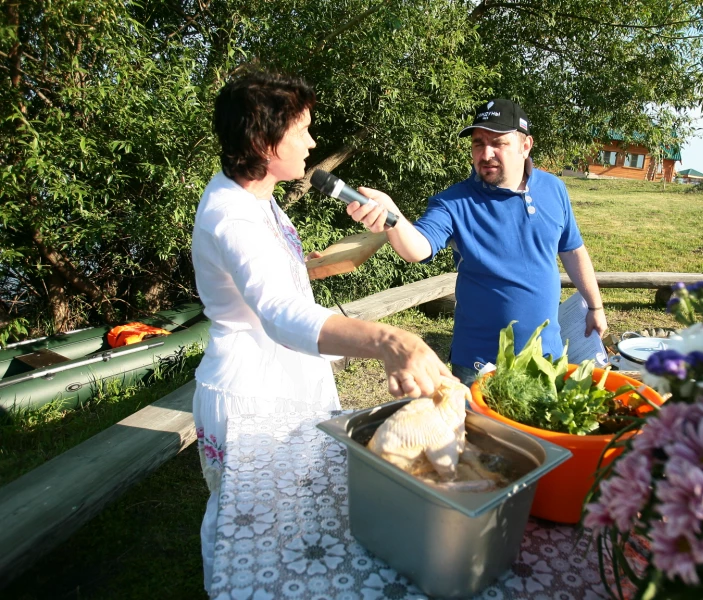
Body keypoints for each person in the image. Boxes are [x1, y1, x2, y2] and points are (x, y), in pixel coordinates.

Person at [191, 70, 453, 591]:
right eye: (302, 130)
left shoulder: (257, 199)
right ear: (266, 143)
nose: (313, 142)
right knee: (243, 527)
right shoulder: (232, 217)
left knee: (291, 519)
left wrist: (369, 238)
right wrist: (390, 340)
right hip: (251, 396)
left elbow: (280, 277)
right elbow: (279, 313)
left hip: (289, 380)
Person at [346, 98, 608, 386]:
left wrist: (595, 307)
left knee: (539, 433)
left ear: (525, 146)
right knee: (478, 432)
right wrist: (392, 218)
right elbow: (417, 247)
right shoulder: (454, 202)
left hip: (546, 357)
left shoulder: (553, 188)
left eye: (498, 142)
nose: (486, 153)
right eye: (478, 143)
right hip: (480, 365)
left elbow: (572, 249)